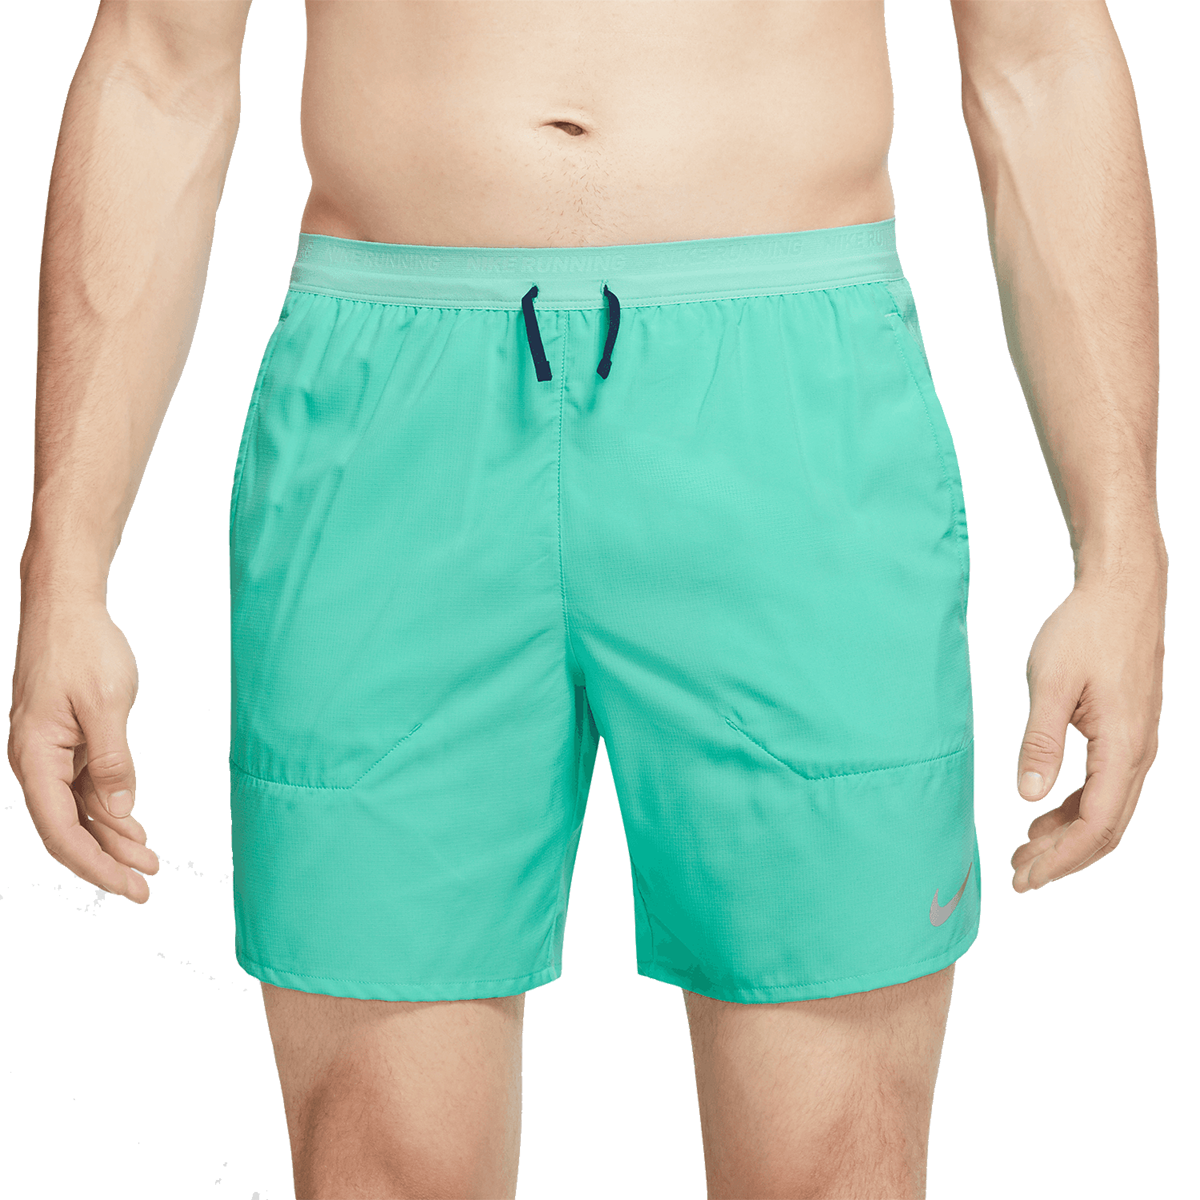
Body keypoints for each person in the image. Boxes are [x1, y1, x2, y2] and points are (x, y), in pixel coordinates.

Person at [9, 2, 1167, 1198]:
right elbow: (158, 63)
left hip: (786, 409)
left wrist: (1123, 552)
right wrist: (64, 569)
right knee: (378, 1160)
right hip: (393, 425)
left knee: (829, 1165)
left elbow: (1040, 55)